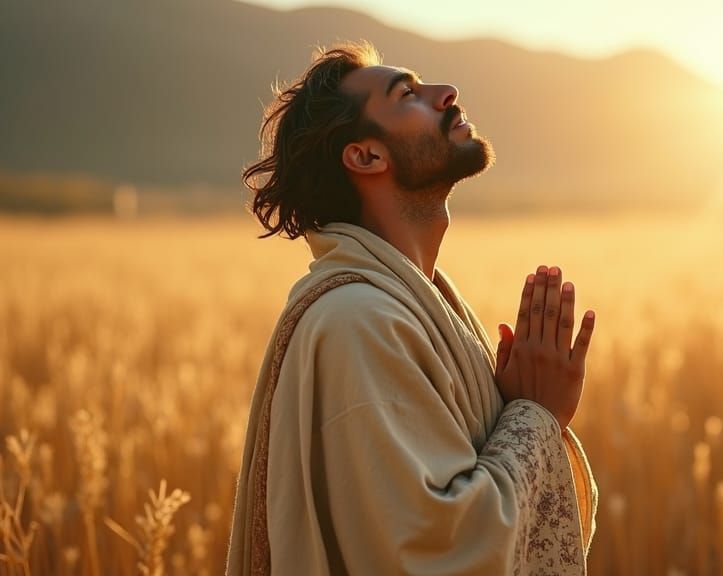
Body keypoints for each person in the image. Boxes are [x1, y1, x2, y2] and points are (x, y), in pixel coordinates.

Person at [226, 40, 598, 575]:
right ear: (366, 155)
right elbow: (438, 554)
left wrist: (516, 409)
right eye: (408, 94)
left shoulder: (411, 304)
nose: (446, 93)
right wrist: (534, 417)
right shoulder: (357, 323)